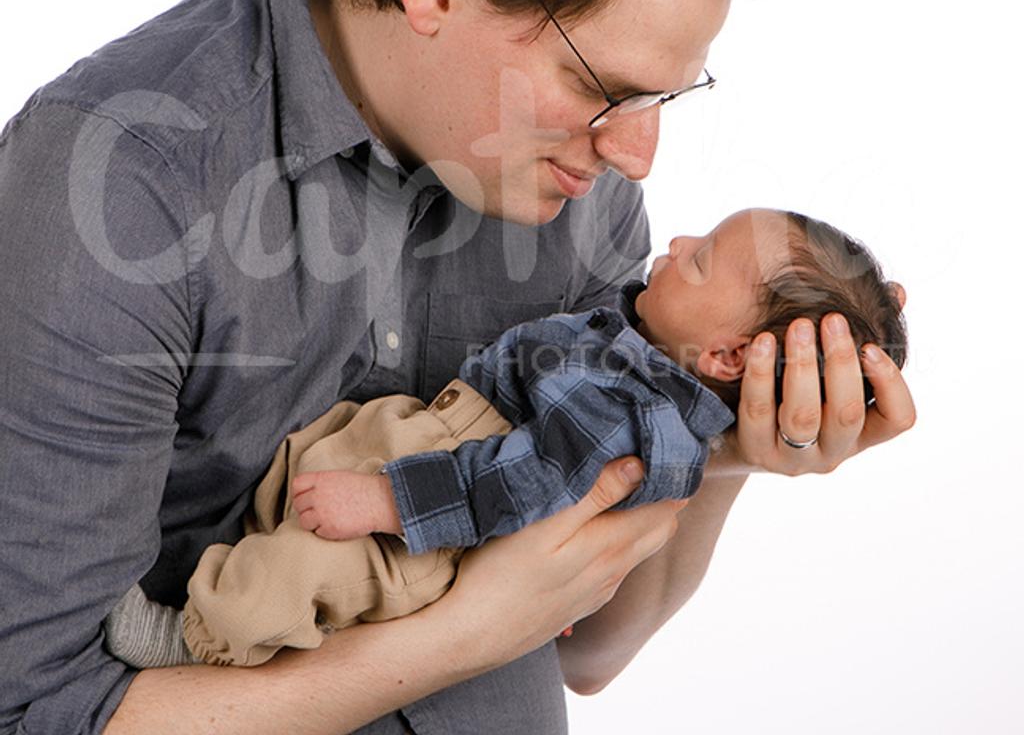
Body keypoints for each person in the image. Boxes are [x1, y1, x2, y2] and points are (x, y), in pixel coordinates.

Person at [0, 0, 916, 735]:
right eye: (601, 89)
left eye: (660, 97)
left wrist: (723, 449)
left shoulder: (580, 185)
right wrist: (459, 639)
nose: (637, 155)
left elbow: (592, 650)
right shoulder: (124, 179)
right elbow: (35, 708)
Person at [102, 207, 908, 670]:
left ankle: (195, 637)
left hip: (436, 524)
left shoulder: (637, 420)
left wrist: (386, 497)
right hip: (433, 443)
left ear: (732, 356)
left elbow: (517, 485)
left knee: (309, 566)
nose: (677, 243)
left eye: (700, 265)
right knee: (296, 485)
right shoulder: (644, 343)